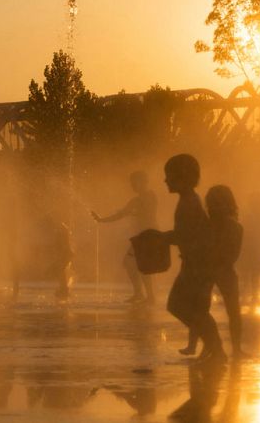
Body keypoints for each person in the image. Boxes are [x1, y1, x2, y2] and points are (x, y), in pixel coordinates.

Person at [161, 154, 225, 364]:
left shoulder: (189, 202)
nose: (165, 180)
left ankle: (215, 347)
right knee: (195, 309)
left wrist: (160, 238)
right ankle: (213, 348)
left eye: (169, 176)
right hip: (197, 262)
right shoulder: (188, 199)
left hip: (199, 264)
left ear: (182, 177)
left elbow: (185, 235)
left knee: (181, 306)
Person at [180, 185, 245, 358]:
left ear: (227, 205)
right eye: (213, 203)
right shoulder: (207, 225)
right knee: (202, 309)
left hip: (218, 270)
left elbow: (233, 255)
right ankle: (197, 345)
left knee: (229, 311)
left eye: (219, 203)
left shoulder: (233, 227)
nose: (215, 207)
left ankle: (235, 348)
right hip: (214, 270)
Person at [92, 170, 157, 304]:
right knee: (133, 264)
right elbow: (121, 214)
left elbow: (144, 213)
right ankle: (143, 294)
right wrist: (101, 220)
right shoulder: (137, 200)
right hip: (142, 236)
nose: (132, 185)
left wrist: (103, 219)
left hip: (148, 235)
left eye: (135, 182)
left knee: (137, 265)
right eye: (131, 182)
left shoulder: (149, 196)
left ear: (143, 182)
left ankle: (147, 296)